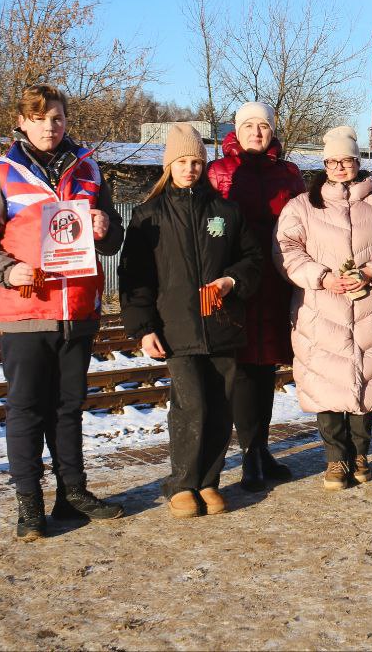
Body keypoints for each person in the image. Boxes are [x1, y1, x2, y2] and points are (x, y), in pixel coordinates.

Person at [0, 83, 125, 541]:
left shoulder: (89, 167)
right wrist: (7, 271)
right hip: (25, 310)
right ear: (22, 122)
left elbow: (113, 239)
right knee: (28, 409)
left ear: (66, 121)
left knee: (69, 408)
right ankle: (29, 505)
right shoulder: (3, 172)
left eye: (56, 118)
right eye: (38, 118)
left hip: (79, 309)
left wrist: (106, 227)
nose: (49, 126)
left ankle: (72, 494)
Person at [119, 123, 262, 519]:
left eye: (196, 162)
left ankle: (209, 481)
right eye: (181, 161)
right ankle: (182, 484)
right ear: (169, 165)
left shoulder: (226, 212)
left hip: (222, 325)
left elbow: (253, 259)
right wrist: (143, 328)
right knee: (190, 406)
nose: (189, 169)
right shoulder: (149, 216)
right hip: (176, 328)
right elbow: (134, 277)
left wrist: (231, 280)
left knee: (220, 407)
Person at [273, 126, 372, 490]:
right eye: (332, 161)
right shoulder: (302, 207)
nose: (339, 167)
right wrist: (321, 277)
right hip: (320, 310)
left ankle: (360, 454)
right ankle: (335, 458)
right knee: (326, 385)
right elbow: (286, 250)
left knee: (368, 382)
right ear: (324, 165)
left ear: (357, 162)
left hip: (368, 308)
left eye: (346, 160)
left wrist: (370, 272)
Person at [207, 101, 306, 491]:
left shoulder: (289, 173)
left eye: (263, 125)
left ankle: (262, 449)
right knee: (244, 370)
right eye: (248, 125)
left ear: (272, 130)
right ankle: (250, 454)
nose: (256, 132)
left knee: (267, 370)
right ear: (236, 130)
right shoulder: (218, 171)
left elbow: (304, 220)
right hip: (237, 284)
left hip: (277, 282)